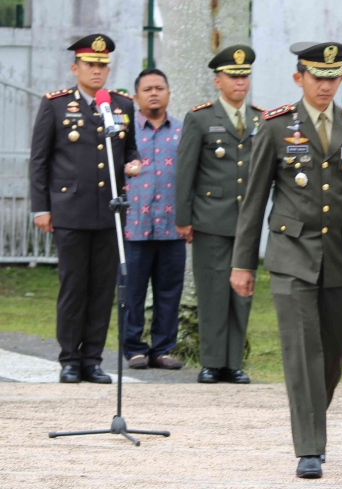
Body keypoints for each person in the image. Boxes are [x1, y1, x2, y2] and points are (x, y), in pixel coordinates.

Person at [230, 41, 342, 479]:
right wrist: (242, 262)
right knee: (302, 350)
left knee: (331, 355)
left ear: (340, 79)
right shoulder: (274, 128)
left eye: (332, 77)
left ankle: (313, 422)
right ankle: (309, 448)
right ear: (299, 79)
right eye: (317, 77)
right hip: (292, 254)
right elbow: (254, 202)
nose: (325, 85)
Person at [29, 34, 141, 384]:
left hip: (109, 210)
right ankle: (69, 359)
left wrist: (134, 164)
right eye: (91, 65)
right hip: (70, 210)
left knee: (103, 287)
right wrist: (40, 209)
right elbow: (40, 161)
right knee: (74, 285)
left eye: (102, 66)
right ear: (75, 67)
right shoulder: (56, 104)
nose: (97, 71)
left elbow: (131, 149)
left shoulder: (121, 104)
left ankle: (93, 358)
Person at [174, 45, 263, 384]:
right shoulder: (200, 118)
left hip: (247, 221)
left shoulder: (260, 118)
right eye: (233, 76)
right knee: (213, 292)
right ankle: (211, 361)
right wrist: (183, 218)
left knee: (242, 293)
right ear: (218, 80)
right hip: (210, 218)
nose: (240, 83)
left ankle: (233, 362)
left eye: (245, 76)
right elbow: (186, 171)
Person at [123, 68, 185, 370]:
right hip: (134, 227)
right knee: (132, 292)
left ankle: (162, 348)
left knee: (169, 292)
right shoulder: (125, 133)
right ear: (136, 97)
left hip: (173, 226)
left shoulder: (184, 131)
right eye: (147, 89)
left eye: (160, 87)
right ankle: (133, 348)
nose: (154, 93)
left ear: (169, 93)